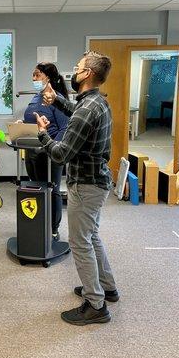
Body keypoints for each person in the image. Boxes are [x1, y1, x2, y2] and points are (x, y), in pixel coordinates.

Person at [34, 51, 118, 326]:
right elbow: (79, 115)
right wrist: (57, 99)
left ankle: (96, 304)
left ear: (88, 74)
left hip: (86, 185)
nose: (73, 71)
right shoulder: (97, 102)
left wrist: (43, 134)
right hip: (97, 181)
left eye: (78, 67)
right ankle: (107, 288)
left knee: (80, 242)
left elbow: (60, 154)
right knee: (91, 236)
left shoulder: (87, 108)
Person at [22, 63, 69, 241]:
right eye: (33, 76)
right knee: (37, 190)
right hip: (32, 151)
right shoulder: (36, 97)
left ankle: (53, 230)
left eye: (37, 75)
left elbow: (65, 128)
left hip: (50, 154)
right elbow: (33, 119)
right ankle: (39, 224)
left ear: (47, 77)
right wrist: (22, 124)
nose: (34, 79)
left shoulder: (56, 99)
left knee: (53, 191)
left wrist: (53, 149)